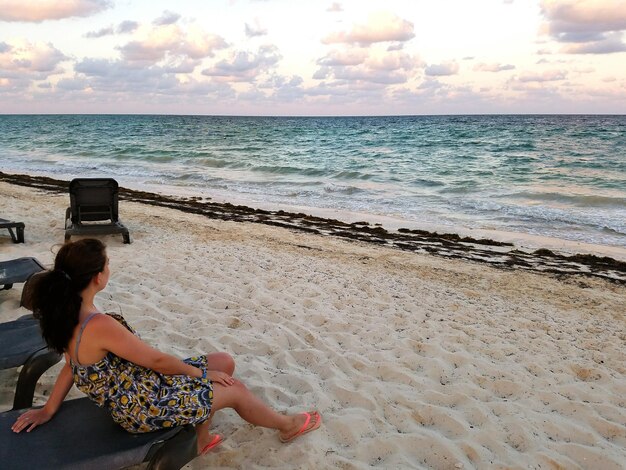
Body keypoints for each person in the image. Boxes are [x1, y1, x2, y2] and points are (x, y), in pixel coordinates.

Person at [11, 238, 321, 454]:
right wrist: (199, 375)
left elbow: (71, 365)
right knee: (235, 389)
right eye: (107, 265)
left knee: (223, 362)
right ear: (97, 278)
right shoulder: (99, 325)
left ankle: (201, 441)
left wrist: (49, 409)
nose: (109, 269)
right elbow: (157, 362)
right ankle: (287, 425)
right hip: (142, 405)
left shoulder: (67, 315)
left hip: (139, 385)